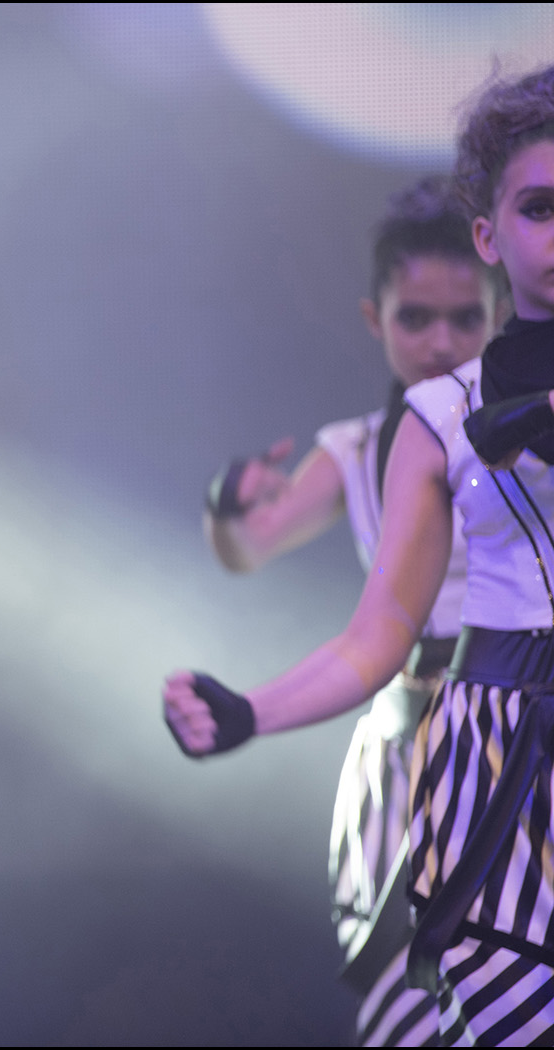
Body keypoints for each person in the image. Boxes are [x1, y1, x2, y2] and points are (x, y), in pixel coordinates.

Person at [165, 65, 554, 1045]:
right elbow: (376, 631)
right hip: (484, 757)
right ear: (490, 236)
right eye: (540, 209)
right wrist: (248, 711)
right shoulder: (436, 420)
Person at [197, 177, 500, 1046]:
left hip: (524, 732)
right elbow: (248, 546)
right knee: (405, 1005)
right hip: (407, 751)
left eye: (465, 319)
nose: (440, 343)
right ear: (377, 319)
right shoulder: (358, 449)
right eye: (416, 319)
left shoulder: (530, 438)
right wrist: (229, 503)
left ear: (500, 313)